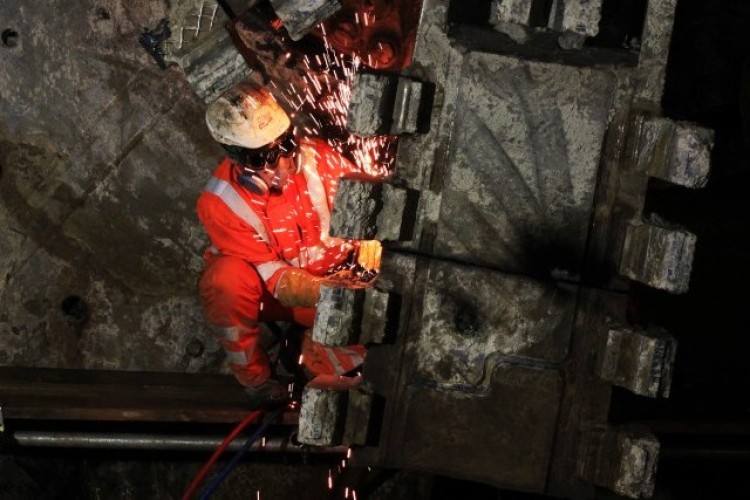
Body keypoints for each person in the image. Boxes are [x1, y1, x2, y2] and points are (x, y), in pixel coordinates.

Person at [197, 80, 381, 406]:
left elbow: (371, 213)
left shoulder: (321, 161)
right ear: (237, 157)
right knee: (225, 280)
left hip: (335, 282)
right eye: (265, 157)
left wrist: (371, 246)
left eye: (285, 146)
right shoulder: (221, 204)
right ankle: (257, 380)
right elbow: (278, 280)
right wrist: (328, 292)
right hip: (278, 295)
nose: (282, 165)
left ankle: (316, 349)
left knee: (378, 318)